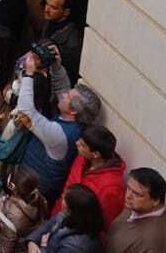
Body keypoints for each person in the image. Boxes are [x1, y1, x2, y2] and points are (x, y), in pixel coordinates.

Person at [12, 53, 101, 202]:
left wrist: (28, 75)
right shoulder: (73, 121)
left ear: (73, 111)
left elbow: (25, 112)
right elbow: (62, 89)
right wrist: (56, 65)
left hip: (33, 192)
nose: (63, 94)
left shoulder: (60, 135)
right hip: (30, 180)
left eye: (68, 96)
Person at [103, 169, 166, 253]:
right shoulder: (140, 207)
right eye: (128, 188)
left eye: (137, 194)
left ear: (156, 200)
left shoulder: (151, 246)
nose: (128, 196)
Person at [51, 125, 126, 231]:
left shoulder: (112, 187)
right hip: (58, 217)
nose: (76, 143)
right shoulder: (83, 157)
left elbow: (103, 222)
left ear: (96, 154)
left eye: (82, 144)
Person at [27, 184, 105, 253]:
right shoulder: (71, 216)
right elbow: (49, 224)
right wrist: (32, 241)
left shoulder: (76, 249)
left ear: (71, 210)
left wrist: (43, 248)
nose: (61, 196)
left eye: (64, 198)